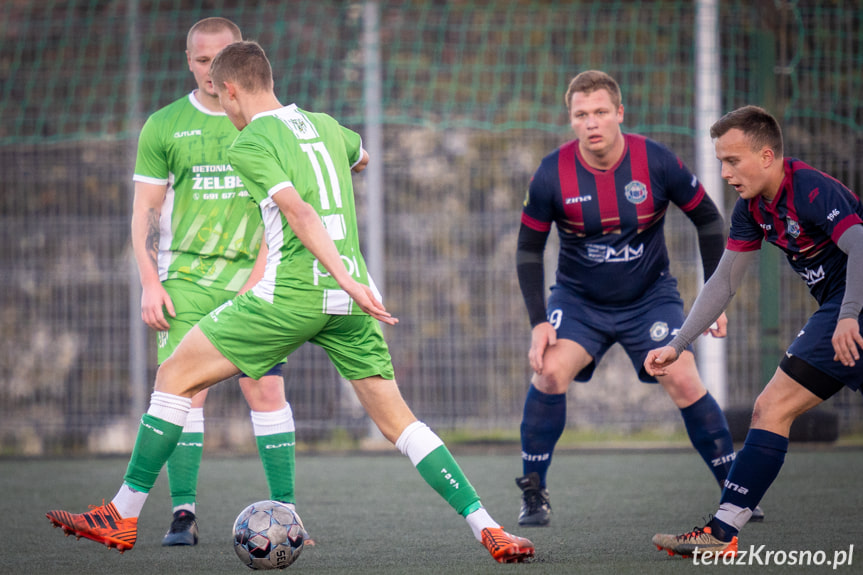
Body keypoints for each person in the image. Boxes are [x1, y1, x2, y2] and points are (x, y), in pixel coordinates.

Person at [47, 40, 535, 564]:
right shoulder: (326, 126)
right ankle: (489, 527)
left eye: (222, 95)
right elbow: (361, 155)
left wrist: (340, 274)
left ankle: (122, 514)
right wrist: (349, 275)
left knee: (173, 376)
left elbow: (299, 212)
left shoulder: (249, 143)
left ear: (230, 90)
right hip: (352, 304)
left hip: (293, 293)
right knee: (400, 423)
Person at [515, 70, 747, 527]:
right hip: (579, 303)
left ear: (619, 113)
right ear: (572, 120)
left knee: (682, 376)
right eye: (581, 115)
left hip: (650, 299)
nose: (591, 122)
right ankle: (534, 493)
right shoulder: (551, 173)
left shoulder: (656, 161)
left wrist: (716, 298)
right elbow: (527, 249)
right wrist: (539, 321)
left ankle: (738, 490)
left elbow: (709, 220)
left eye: (601, 112)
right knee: (548, 373)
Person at [648, 105, 863, 557]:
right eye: (721, 161)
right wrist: (678, 343)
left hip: (850, 309)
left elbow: (860, 243)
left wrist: (848, 313)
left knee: (770, 407)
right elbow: (724, 282)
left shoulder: (810, 189)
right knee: (772, 410)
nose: (724, 172)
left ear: (767, 156)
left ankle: (722, 531)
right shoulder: (752, 209)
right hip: (843, 310)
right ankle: (722, 532)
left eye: (733, 160)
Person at [129, 17, 298, 546]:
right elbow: (145, 214)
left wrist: (260, 275)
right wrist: (150, 282)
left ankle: (287, 513)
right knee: (183, 389)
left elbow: (288, 207)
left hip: (256, 278)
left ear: (241, 58)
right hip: (186, 280)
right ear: (189, 61)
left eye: (220, 58)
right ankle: (183, 513)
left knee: (266, 387)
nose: (210, 69)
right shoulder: (164, 125)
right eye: (201, 60)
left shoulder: (267, 121)